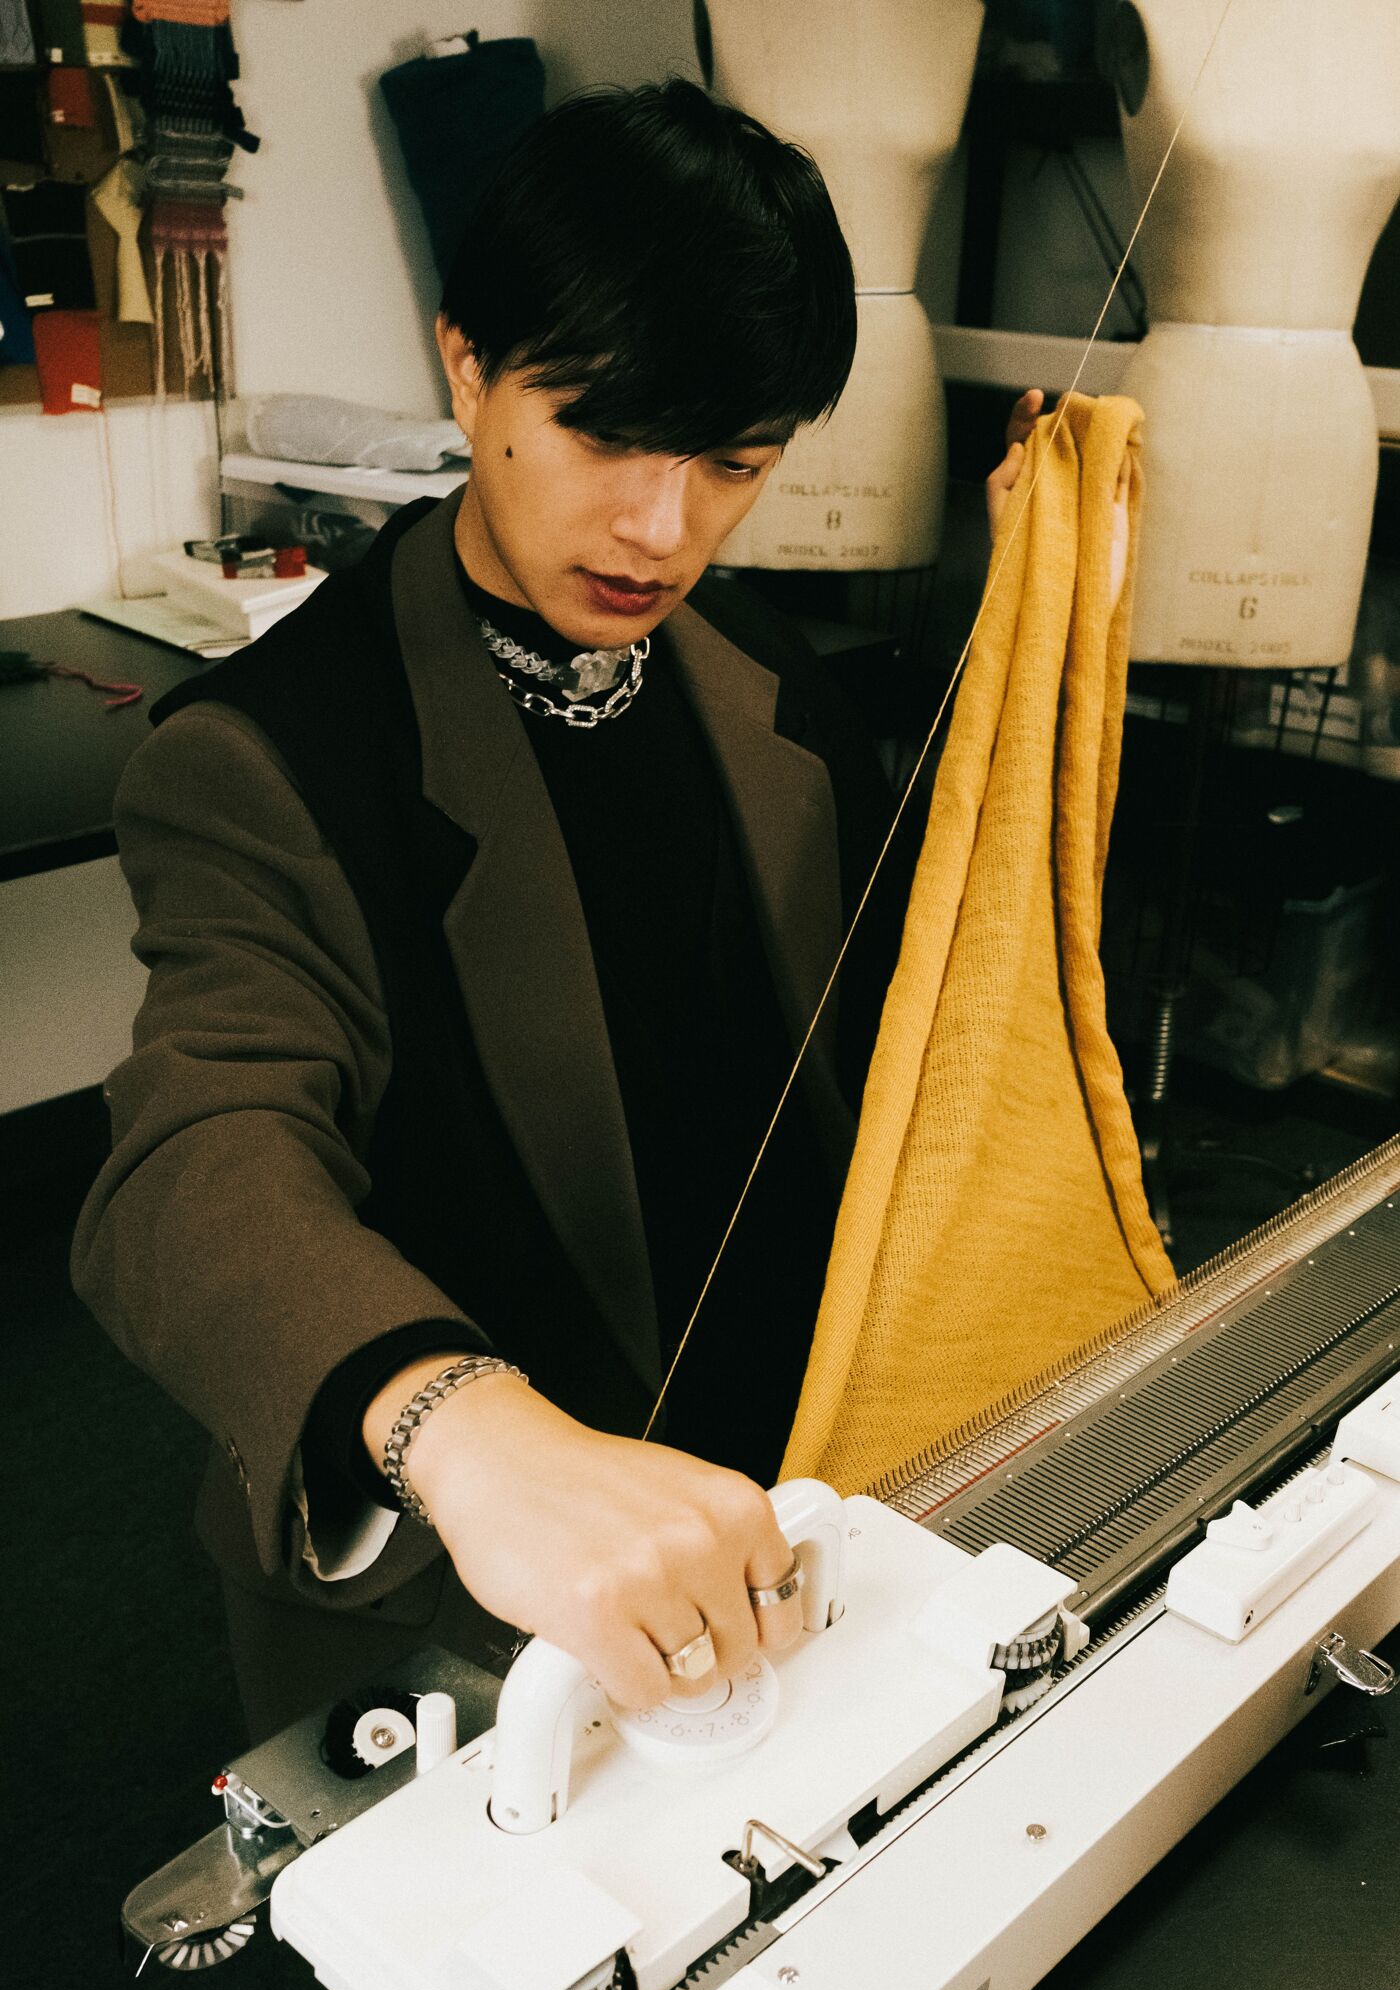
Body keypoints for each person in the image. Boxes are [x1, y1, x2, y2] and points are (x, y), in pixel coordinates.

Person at [73, 79, 1037, 1741]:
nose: (663, 532)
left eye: (734, 464)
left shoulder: (770, 690)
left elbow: (904, 1041)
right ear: (467, 363)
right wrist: (466, 1427)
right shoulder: (266, 756)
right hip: (462, 1600)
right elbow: (193, 1160)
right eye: (603, 434)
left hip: (789, 1511)